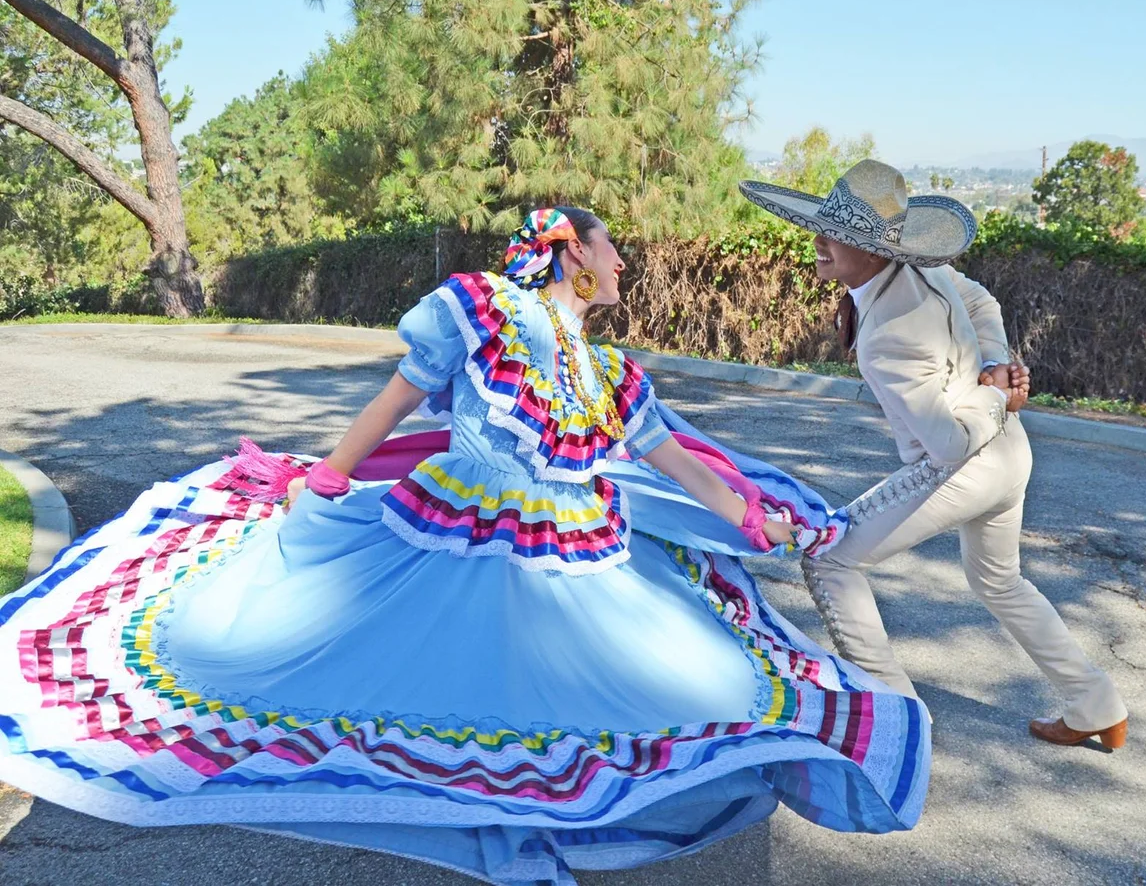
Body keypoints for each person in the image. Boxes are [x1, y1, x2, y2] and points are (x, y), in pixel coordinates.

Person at [0, 206, 930, 885]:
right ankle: (507, 829)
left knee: (628, 696)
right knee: (442, 682)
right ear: (570, 251)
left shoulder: (611, 370)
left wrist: (744, 514)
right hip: (462, 526)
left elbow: (670, 457)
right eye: (613, 252)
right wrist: (327, 478)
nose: (623, 269)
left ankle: (525, 825)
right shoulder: (479, 308)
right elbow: (397, 398)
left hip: (577, 545)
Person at [739, 161, 1129, 749]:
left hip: (963, 465)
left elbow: (948, 443)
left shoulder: (888, 334)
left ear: (873, 249)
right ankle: (1096, 703)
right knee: (999, 581)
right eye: (818, 227)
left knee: (831, 560)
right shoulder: (926, 272)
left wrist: (994, 392)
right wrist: (996, 371)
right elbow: (984, 303)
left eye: (834, 233)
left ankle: (900, 725)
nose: (818, 240)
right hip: (1008, 456)